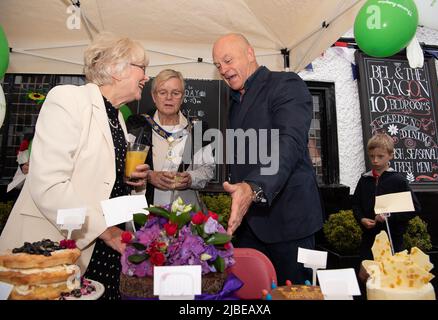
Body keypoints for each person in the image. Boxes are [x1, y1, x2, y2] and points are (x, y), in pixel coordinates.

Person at [0, 32, 150, 300]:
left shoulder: (117, 117)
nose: (146, 77)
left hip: (103, 250)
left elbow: (107, 191)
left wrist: (137, 192)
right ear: (117, 69)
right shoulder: (68, 100)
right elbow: (50, 184)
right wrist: (108, 232)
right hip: (52, 249)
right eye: (143, 67)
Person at [212, 33, 323, 284]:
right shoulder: (234, 101)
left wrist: (253, 187)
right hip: (249, 227)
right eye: (218, 65)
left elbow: (289, 141)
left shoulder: (286, 83)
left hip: (290, 225)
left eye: (228, 60)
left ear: (250, 53)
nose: (223, 69)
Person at [126, 69, 215, 209]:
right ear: (154, 96)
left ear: (183, 97)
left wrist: (191, 178)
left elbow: (208, 169)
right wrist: (148, 176)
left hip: (184, 216)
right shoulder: (137, 126)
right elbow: (124, 168)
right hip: (143, 215)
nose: (169, 98)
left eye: (175, 93)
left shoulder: (198, 130)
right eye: (162, 92)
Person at [352, 133, 420, 261]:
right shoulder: (364, 179)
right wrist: (361, 219)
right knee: (366, 275)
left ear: (391, 155)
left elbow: (414, 208)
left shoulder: (398, 180)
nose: (375, 160)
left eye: (380, 156)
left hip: (392, 239)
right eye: (372, 156)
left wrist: (388, 216)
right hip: (369, 239)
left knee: (390, 276)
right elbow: (356, 204)